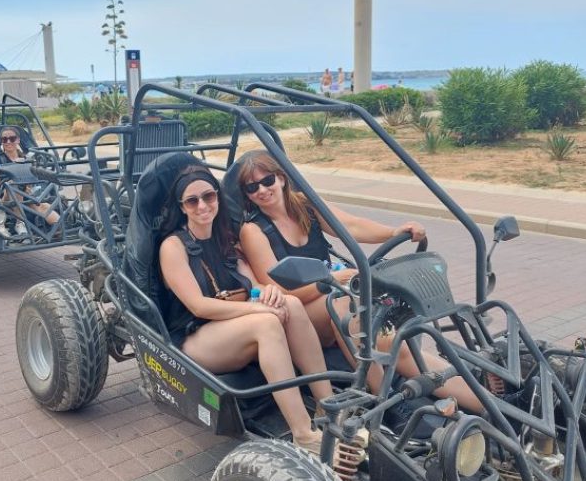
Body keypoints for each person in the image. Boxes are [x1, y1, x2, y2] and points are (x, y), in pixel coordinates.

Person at [236, 150, 482, 412]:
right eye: (252, 187)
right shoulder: (253, 231)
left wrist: (394, 232)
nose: (262, 190)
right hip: (301, 315)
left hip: (336, 298)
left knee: (400, 346)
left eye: (267, 180)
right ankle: (383, 397)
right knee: (343, 305)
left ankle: (490, 406)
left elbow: (350, 226)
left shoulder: (304, 205)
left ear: (282, 179)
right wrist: (331, 279)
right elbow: (283, 291)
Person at [158, 165, 333, 453]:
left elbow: (253, 285)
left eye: (209, 196)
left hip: (232, 328)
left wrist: (270, 292)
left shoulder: (225, 239)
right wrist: (258, 311)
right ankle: (303, 434)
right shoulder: (173, 246)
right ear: (182, 207)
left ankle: (327, 408)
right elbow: (198, 306)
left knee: (290, 303)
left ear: (218, 198)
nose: (202, 205)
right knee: (266, 323)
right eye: (192, 201)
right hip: (195, 338)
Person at [0, 126, 58, 233]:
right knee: (13, 184)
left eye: (12, 139)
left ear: (18, 140)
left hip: (26, 195)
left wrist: (27, 189)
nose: (8, 142)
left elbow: (34, 181)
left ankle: (59, 227)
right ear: (1, 141)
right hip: (5, 197)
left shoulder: (27, 159)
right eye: (4, 139)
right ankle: (20, 223)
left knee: (44, 206)